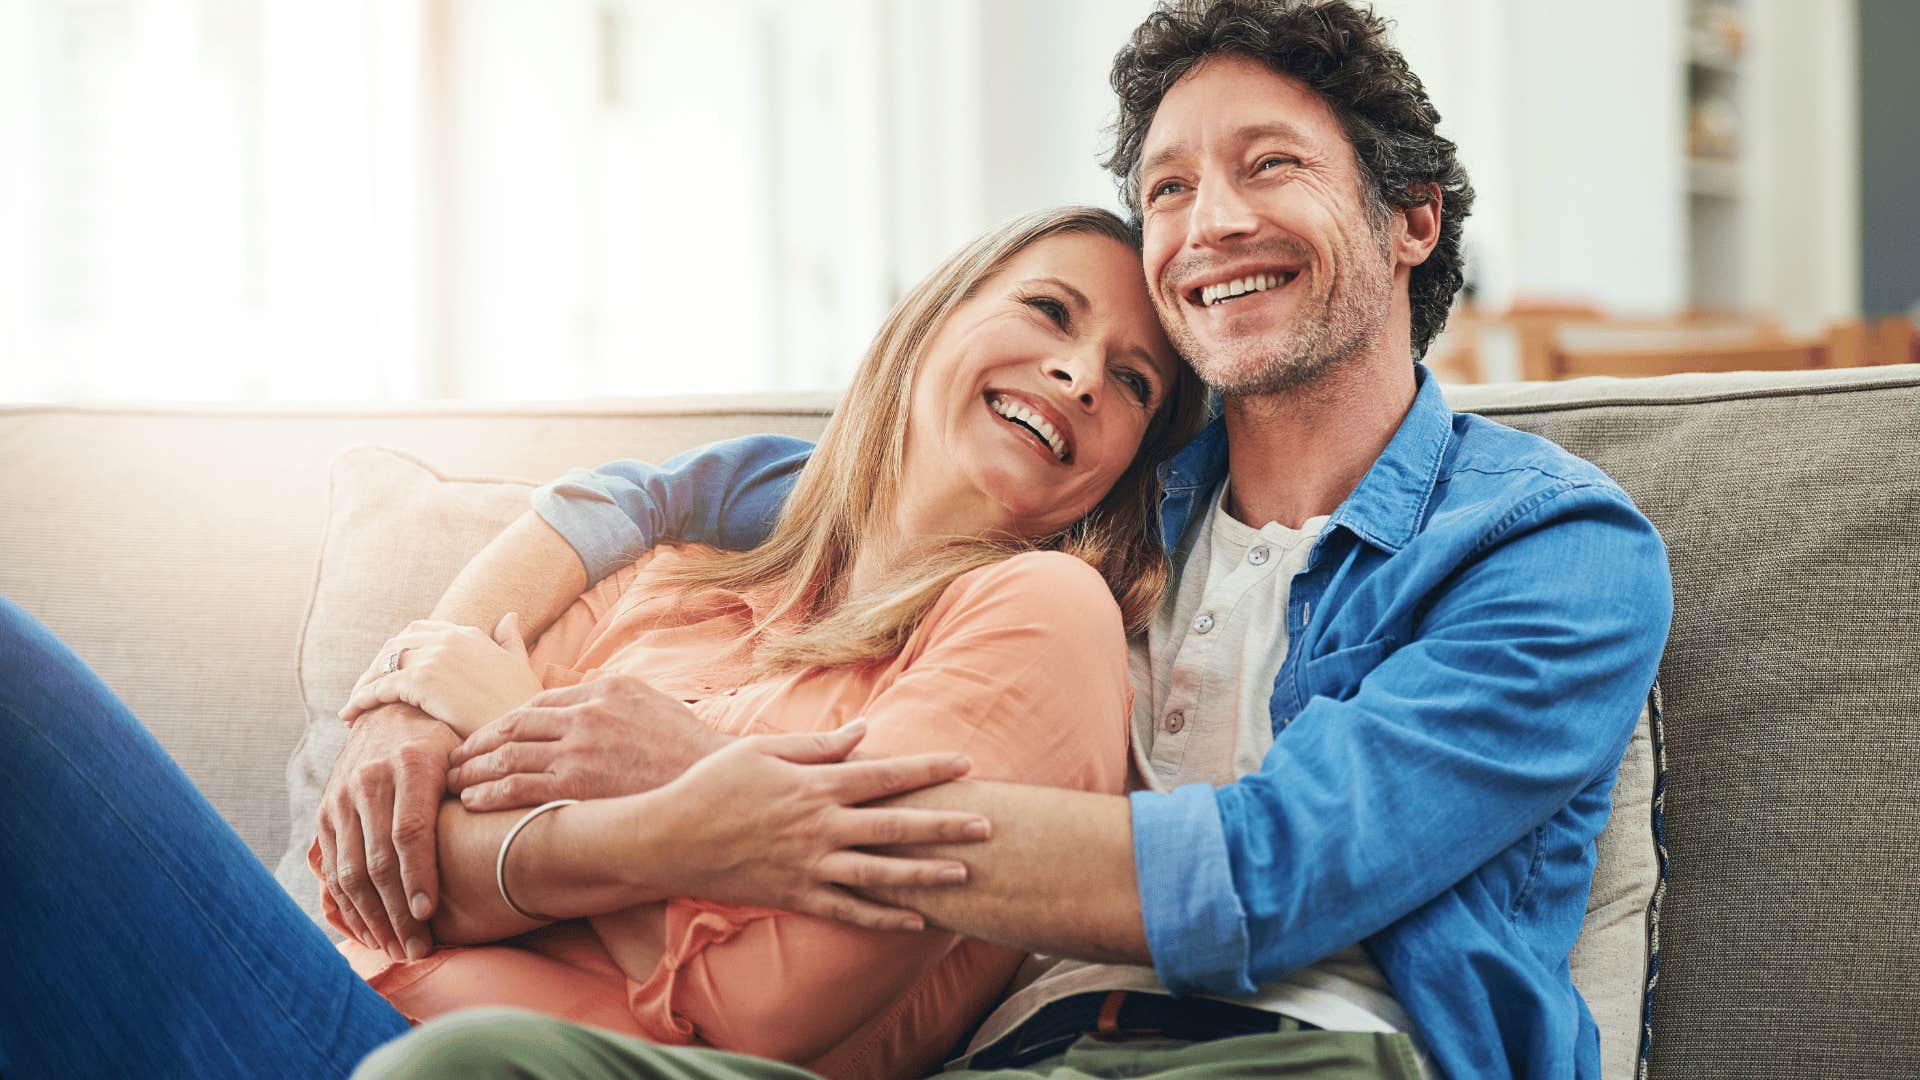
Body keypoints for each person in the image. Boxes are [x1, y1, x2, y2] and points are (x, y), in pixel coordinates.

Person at [348, 3, 1675, 1079]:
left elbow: (1268, 878)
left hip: (1300, 1056)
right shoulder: (1102, 490)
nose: (1208, 222)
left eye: (1268, 164)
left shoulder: (1552, 552)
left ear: (1413, 218)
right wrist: (413, 691)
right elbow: (708, 491)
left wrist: (726, 782)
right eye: (1168, 187)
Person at [0, 204, 1206, 1080]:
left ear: (1125, 467)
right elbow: (411, 880)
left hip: (402, 1055)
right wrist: (693, 845)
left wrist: (641, 794)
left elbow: (765, 1010)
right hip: (324, 985)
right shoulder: (674, 583)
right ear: (932, 323)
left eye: (1135, 382)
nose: (1078, 370)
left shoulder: (1041, 618)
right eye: (1050, 311)